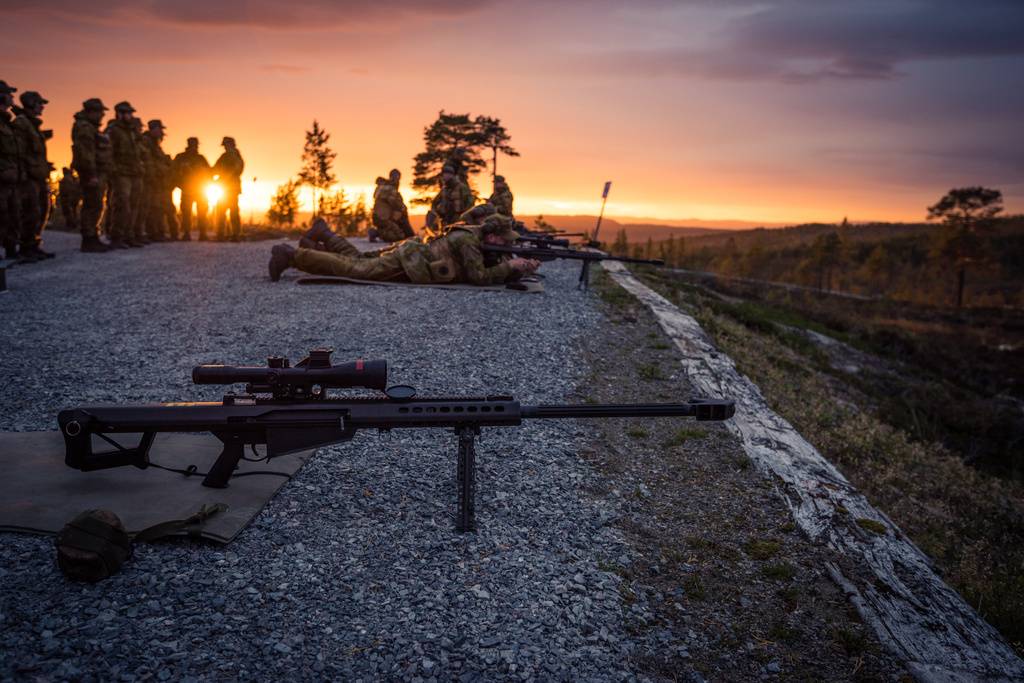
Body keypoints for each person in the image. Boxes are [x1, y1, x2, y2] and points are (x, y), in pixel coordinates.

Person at [269, 213, 540, 285]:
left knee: (358, 259)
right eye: (504, 240)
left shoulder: (477, 236)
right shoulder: (469, 241)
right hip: (410, 262)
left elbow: (490, 266)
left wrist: (517, 269)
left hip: (412, 255)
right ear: (492, 235)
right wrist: (511, 267)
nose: (508, 244)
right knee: (355, 269)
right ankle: (292, 256)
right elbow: (478, 277)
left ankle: (322, 236)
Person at [12, 90, 55, 261]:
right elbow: (19, 152)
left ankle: (33, 244)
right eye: (39, 103)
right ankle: (26, 246)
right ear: (30, 104)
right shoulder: (22, 124)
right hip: (28, 176)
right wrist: (22, 174)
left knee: (41, 210)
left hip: (37, 175)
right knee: (30, 211)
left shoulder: (32, 125)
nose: (42, 107)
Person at [70, 97, 111, 252]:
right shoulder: (84, 127)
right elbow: (86, 153)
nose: (102, 115)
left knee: (96, 204)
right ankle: (88, 239)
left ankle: (93, 236)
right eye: (100, 112)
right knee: (91, 204)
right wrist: (91, 174)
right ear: (92, 112)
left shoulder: (90, 127)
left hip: (96, 171)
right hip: (90, 172)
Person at [106, 101, 144, 248]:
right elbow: (108, 152)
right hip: (121, 174)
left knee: (134, 205)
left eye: (131, 113)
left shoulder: (132, 132)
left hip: (135, 173)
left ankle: (129, 235)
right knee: (122, 205)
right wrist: (113, 171)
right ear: (119, 114)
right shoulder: (113, 130)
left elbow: (138, 153)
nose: (130, 116)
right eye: (127, 113)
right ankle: (116, 237)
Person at [141, 120, 178, 240]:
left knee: (157, 207)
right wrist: (163, 168)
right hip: (149, 179)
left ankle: (157, 232)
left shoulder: (155, 144)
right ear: (153, 129)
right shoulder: (146, 141)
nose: (161, 132)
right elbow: (150, 161)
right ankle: (152, 233)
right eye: (159, 129)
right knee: (151, 207)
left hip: (158, 181)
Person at [0, 80, 22, 260]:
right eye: (9, 94)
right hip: (2, 178)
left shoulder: (8, 123)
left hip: (11, 178)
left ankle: (11, 249)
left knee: (13, 214)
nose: (12, 98)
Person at [172, 137, 210, 240]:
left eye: (196, 145)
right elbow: (173, 172)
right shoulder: (181, 158)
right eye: (193, 145)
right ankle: (187, 233)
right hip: (187, 189)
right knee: (186, 212)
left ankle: (203, 233)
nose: (195, 147)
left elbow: (209, 172)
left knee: (202, 212)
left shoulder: (201, 158)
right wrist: (180, 184)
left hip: (200, 190)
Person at [212, 136, 244, 241]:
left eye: (226, 145)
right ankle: (221, 234)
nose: (225, 147)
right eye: (224, 146)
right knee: (221, 211)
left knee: (233, 211)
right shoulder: (224, 157)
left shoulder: (236, 156)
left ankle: (235, 235)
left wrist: (223, 178)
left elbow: (237, 169)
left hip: (232, 189)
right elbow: (215, 169)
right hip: (224, 188)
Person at [370, 168, 414, 243]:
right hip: (385, 219)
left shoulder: (382, 187)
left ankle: (378, 232)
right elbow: (397, 204)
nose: (397, 179)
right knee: (399, 239)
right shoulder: (389, 188)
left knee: (405, 236)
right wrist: (400, 210)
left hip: (383, 218)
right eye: (396, 177)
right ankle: (376, 232)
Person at [58, 168, 81, 233]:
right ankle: (72, 225)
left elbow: (66, 190)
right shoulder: (72, 179)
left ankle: (72, 225)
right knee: (71, 212)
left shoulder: (67, 179)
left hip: (68, 198)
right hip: (71, 198)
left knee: (69, 212)